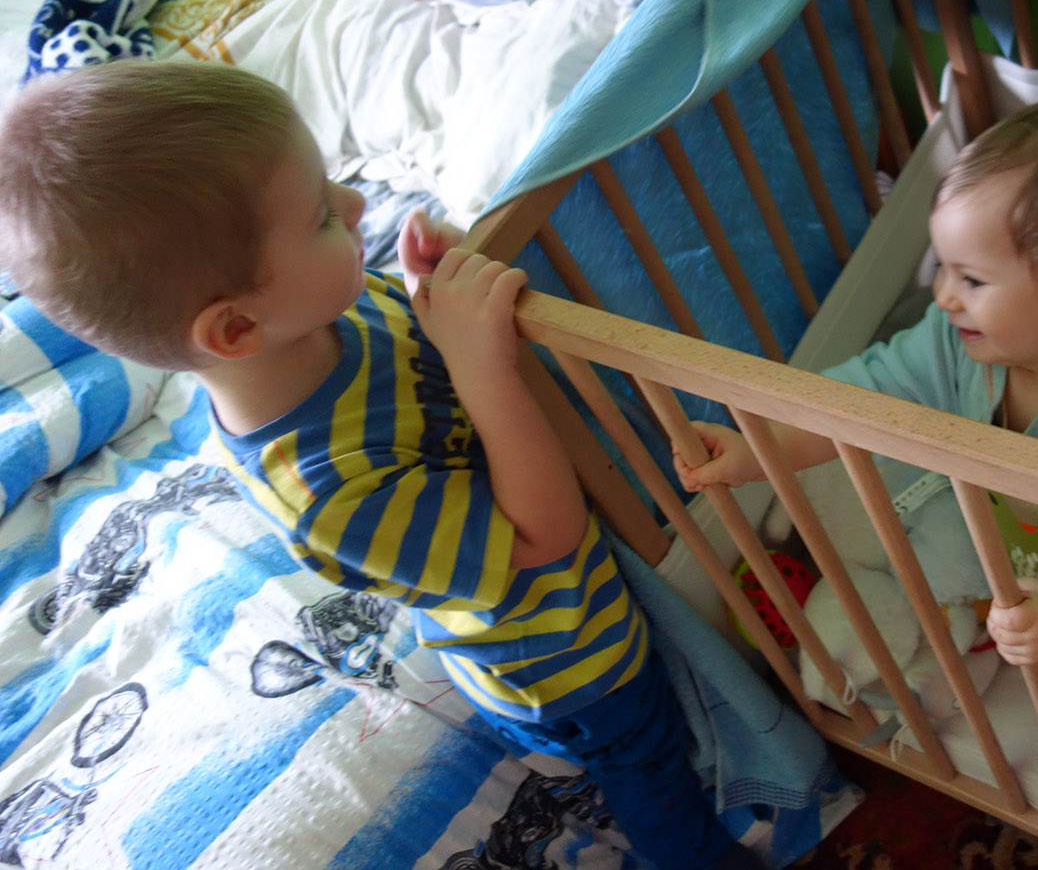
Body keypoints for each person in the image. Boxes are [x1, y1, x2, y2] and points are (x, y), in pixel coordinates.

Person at [0, 59, 760, 870]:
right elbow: (546, 534)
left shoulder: (338, 304)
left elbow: (426, 354)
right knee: (649, 763)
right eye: (323, 215)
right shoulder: (328, 493)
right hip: (565, 659)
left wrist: (433, 295)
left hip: (567, 592)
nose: (359, 204)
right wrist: (480, 365)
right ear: (235, 328)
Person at [676, 99, 1038, 764]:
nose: (944, 295)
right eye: (942, 266)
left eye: (971, 278)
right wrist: (759, 449)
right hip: (1028, 572)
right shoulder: (958, 344)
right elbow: (859, 402)